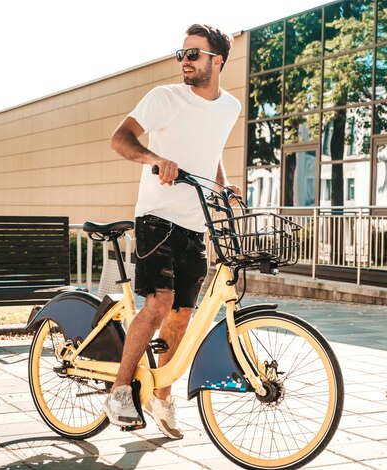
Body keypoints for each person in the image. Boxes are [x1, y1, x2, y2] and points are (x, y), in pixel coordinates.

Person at [103, 24, 241, 440]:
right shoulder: (164, 97)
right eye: (181, 52)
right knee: (159, 304)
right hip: (157, 218)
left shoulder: (229, 107)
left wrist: (224, 183)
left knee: (182, 315)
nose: (185, 59)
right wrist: (155, 158)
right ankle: (120, 390)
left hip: (194, 223)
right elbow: (119, 139)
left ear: (217, 61)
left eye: (194, 54)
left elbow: (210, 147)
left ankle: (161, 397)